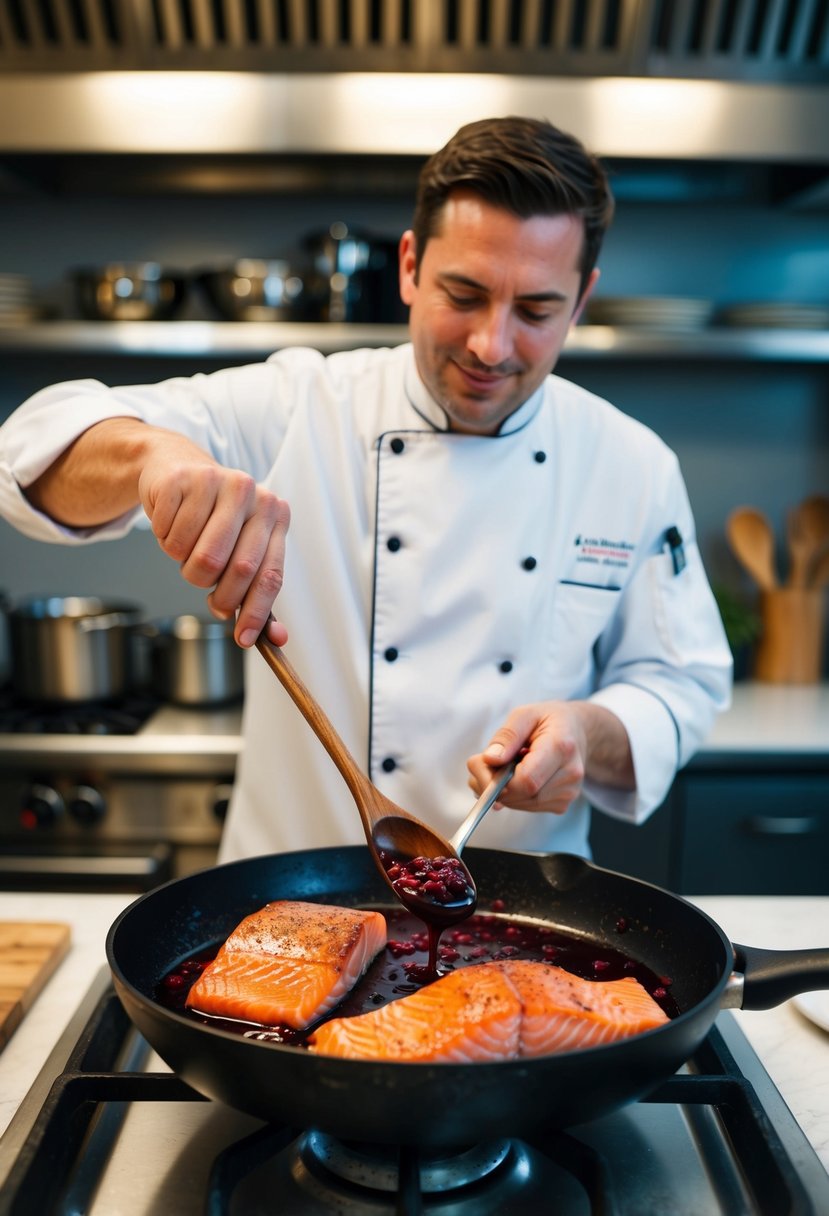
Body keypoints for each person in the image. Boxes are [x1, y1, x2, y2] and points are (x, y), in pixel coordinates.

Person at [0, 116, 732, 864]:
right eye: (464, 293)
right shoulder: (299, 406)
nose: (491, 345)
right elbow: (31, 450)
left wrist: (584, 732)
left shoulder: (630, 464)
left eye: (537, 310)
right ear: (410, 266)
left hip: (524, 925)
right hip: (285, 908)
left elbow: (679, 685)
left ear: (580, 302)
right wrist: (149, 457)